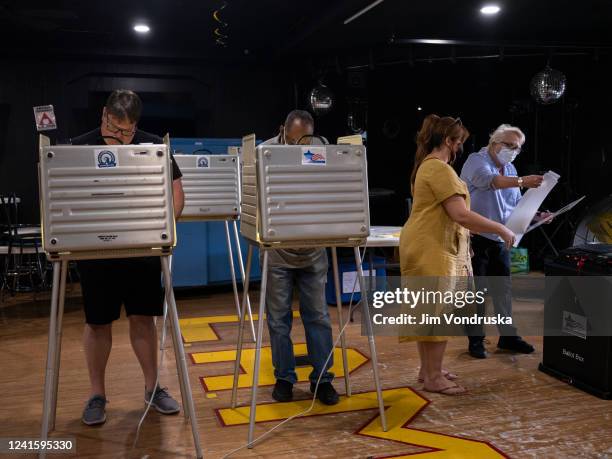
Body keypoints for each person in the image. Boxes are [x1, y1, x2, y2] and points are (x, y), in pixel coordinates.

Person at [70, 90, 185, 425]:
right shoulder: (78, 146)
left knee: (143, 319)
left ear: (136, 124)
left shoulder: (153, 146)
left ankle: (153, 388)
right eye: (114, 128)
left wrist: (165, 229)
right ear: (104, 114)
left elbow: (177, 192)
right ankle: (97, 395)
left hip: (142, 252)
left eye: (127, 131)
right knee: (97, 323)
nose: (119, 137)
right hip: (96, 253)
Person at [399, 115, 516, 395]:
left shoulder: (426, 166)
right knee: (437, 314)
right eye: (459, 142)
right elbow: (460, 214)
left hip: (429, 244)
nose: (459, 147)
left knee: (428, 313)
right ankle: (434, 377)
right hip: (432, 248)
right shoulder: (438, 169)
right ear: (450, 141)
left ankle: (428, 371)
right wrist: (500, 228)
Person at [260, 109, 339, 405]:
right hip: (278, 252)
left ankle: (322, 380)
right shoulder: (265, 152)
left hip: (312, 250)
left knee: (318, 317)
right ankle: (284, 378)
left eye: (303, 141)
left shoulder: (319, 150)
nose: (298, 148)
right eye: (293, 142)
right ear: (282, 130)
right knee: (279, 320)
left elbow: (332, 191)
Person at [460, 124, 550, 359]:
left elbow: (515, 206)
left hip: (500, 238)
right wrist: (522, 181)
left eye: (518, 148)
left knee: (503, 291)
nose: (513, 151)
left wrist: (538, 216)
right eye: (509, 145)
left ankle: (508, 336)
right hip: (475, 236)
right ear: (494, 143)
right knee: (477, 292)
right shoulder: (475, 161)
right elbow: (489, 181)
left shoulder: (511, 169)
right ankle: (476, 340)